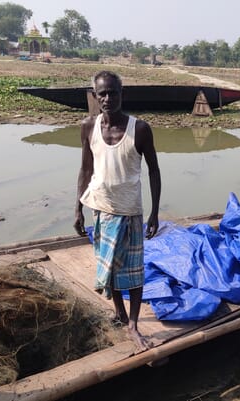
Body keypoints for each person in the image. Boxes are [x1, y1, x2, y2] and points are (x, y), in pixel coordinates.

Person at [74, 70, 161, 351]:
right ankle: (120, 313)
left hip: (130, 210)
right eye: (102, 94)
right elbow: (86, 169)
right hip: (101, 208)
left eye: (113, 92)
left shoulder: (141, 129)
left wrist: (155, 213)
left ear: (122, 94)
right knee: (109, 268)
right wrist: (78, 209)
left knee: (133, 273)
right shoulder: (89, 126)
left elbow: (154, 172)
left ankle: (133, 323)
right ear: (95, 96)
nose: (108, 98)